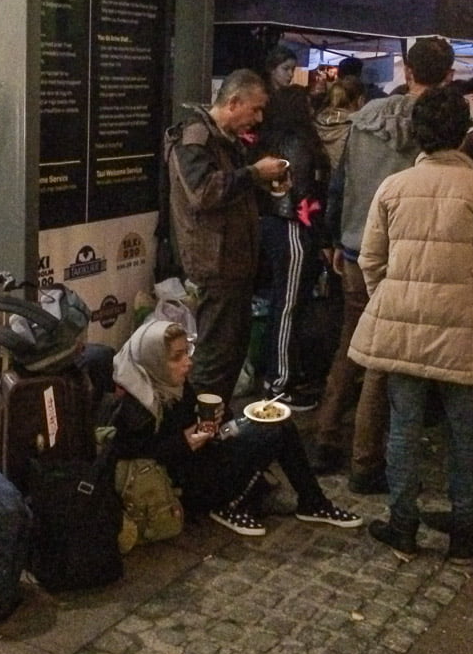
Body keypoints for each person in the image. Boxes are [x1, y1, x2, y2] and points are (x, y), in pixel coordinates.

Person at [348, 87, 473, 564]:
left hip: (403, 325)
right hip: (464, 328)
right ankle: (464, 527)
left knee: (402, 427)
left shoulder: (393, 187)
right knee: (466, 432)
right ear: (463, 132)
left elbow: (370, 259)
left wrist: (392, 299)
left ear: (418, 134)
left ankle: (402, 524)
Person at [312, 37, 455, 494]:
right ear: (448, 76)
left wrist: (335, 238)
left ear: (408, 71)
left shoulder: (364, 120)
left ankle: (325, 438)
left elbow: (341, 183)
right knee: (384, 359)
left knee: (349, 345)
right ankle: (365, 460)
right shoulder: (437, 126)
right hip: (403, 253)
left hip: (355, 247)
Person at [108, 320, 361, 536]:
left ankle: (313, 502)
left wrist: (216, 419)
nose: (187, 362)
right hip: (183, 487)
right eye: (177, 357)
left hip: (200, 459)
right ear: (154, 361)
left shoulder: (172, 384)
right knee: (267, 437)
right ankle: (230, 504)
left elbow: (188, 419)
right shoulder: (136, 407)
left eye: (187, 352)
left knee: (276, 425)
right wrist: (184, 442)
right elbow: (135, 455)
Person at [167, 68, 289, 408]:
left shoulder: (226, 140)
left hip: (234, 264)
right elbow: (204, 192)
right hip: (215, 265)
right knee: (213, 360)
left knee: (231, 357)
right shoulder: (194, 138)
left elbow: (231, 191)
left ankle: (211, 429)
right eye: (256, 109)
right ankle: (197, 436)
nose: (259, 118)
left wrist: (263, 185)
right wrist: (254, 173)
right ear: (234, 102)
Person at [254, 83, 329, 410]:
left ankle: (277, 375)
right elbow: (304, 193)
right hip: (294, 228)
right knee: (288, 306)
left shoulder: (266, 140)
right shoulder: (298, 142)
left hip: (274, 224)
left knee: (282, 304)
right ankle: (279, 384)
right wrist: (320, 236)